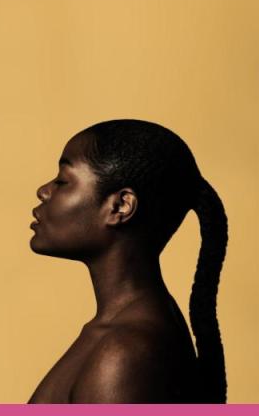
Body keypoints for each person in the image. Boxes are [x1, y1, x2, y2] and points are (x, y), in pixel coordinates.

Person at [27, 119, 228, 404]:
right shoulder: (120, 332)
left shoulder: (124, 354)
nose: (44, 191)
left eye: (62, 181)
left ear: (120, 207)